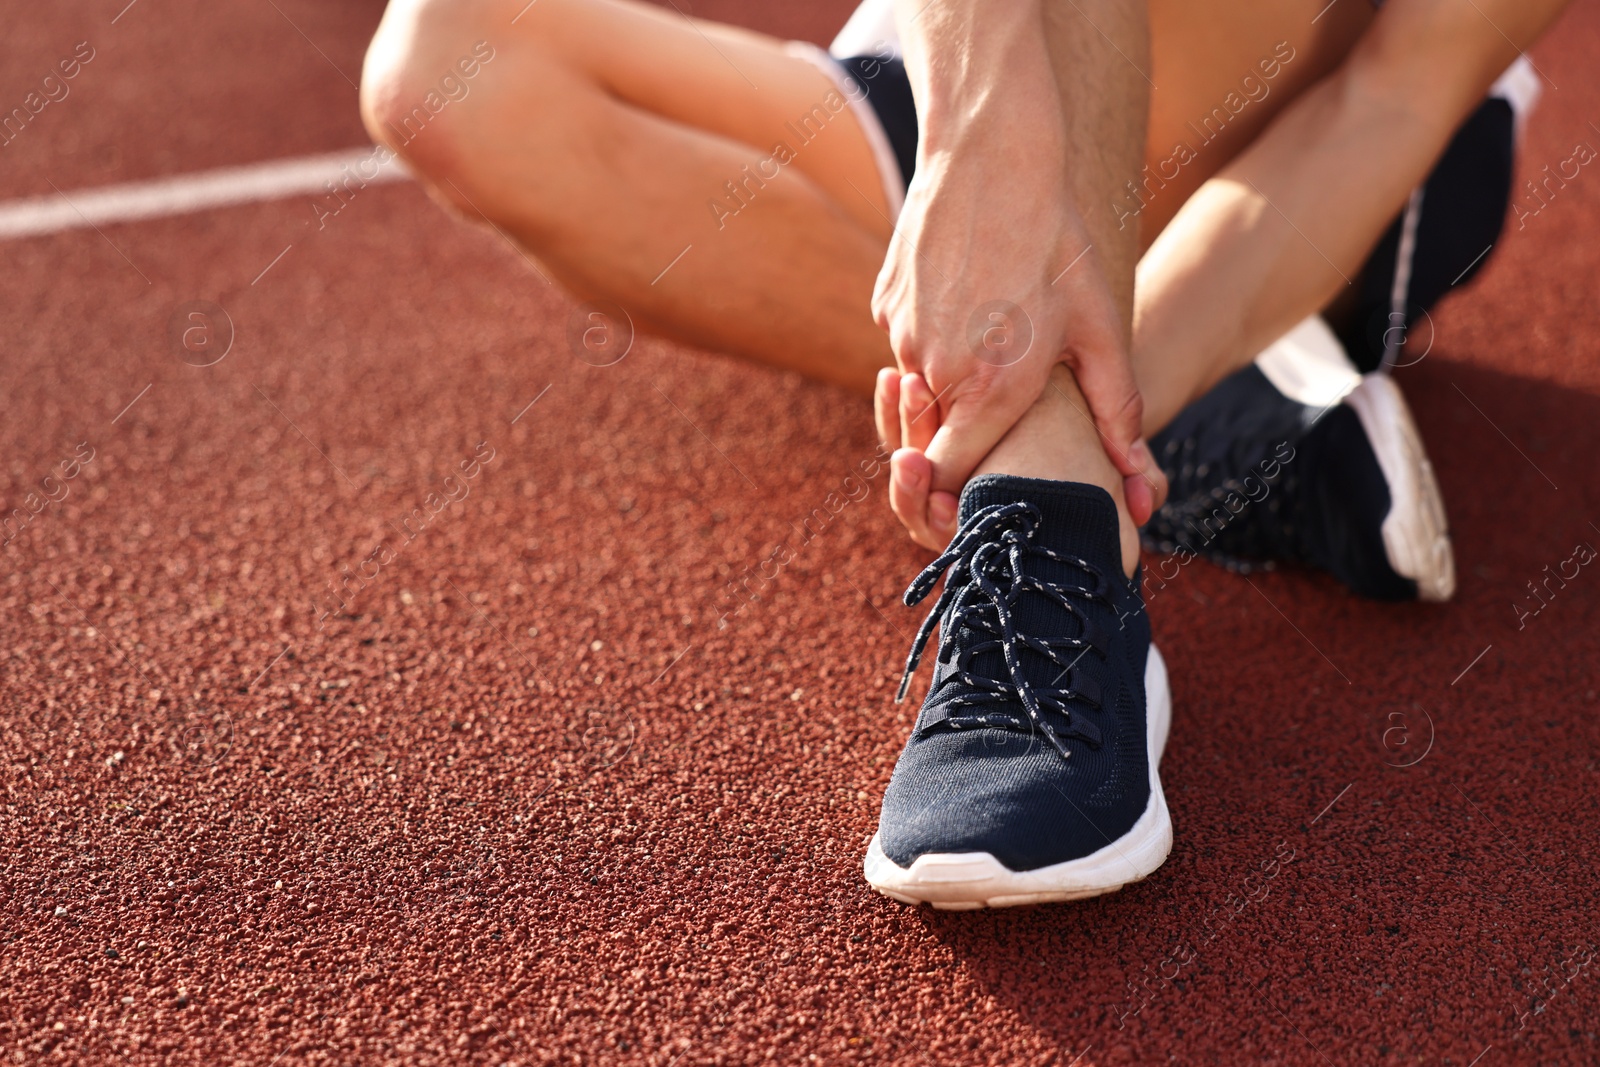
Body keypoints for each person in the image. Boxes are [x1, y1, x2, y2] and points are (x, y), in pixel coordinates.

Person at [358, 0, 1568, 907]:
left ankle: (1056, 488)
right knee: (446, 70)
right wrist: (976, 152)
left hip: (1329, 149)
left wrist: (1068, 386)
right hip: (973, 56)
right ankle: (1176, 424)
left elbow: (1393, 98)